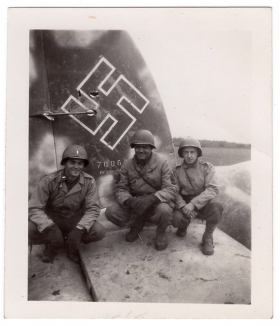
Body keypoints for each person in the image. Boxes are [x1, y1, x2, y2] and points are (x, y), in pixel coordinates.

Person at [28, 145, 106, 264]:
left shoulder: (89, 182)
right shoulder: (49, 181)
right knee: (28, 228)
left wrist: (79, 228)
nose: (76, 167)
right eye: (72, 162)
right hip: (53, 218)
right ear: (65, 163)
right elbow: (34, 207)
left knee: (99, 231)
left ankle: (71, 247)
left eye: (80, 163)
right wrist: (50, 227)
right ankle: (52, 246)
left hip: (73, 218)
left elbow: (93, 209)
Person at [105, 129, 178, 251]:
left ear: (151, 148)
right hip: (136, 204)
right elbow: (120, 188)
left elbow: (171, 189)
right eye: (138, 147)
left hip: (155, 202)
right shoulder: (127, 164)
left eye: (145, 147)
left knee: (164, 210)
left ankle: (160, 233)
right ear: (133, 148)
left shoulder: (162, 163)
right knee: (111, 212)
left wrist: (152, 198)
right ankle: (137, 225)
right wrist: (130, 201)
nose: (141, 150)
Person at [172, 137, 223, 255]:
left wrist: (193, 205)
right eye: (186, 152)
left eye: (192, 152)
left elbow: (213, 189)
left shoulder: (207, 168)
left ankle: (208, 237)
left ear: (197, 153)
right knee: (176, 218)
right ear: (182, 154)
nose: (189, 155)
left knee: (216, 207)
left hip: (202, 202)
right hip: (185, 204)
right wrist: (184, 207)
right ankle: (183, 225)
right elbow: (174, 191)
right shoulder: (177, 171)